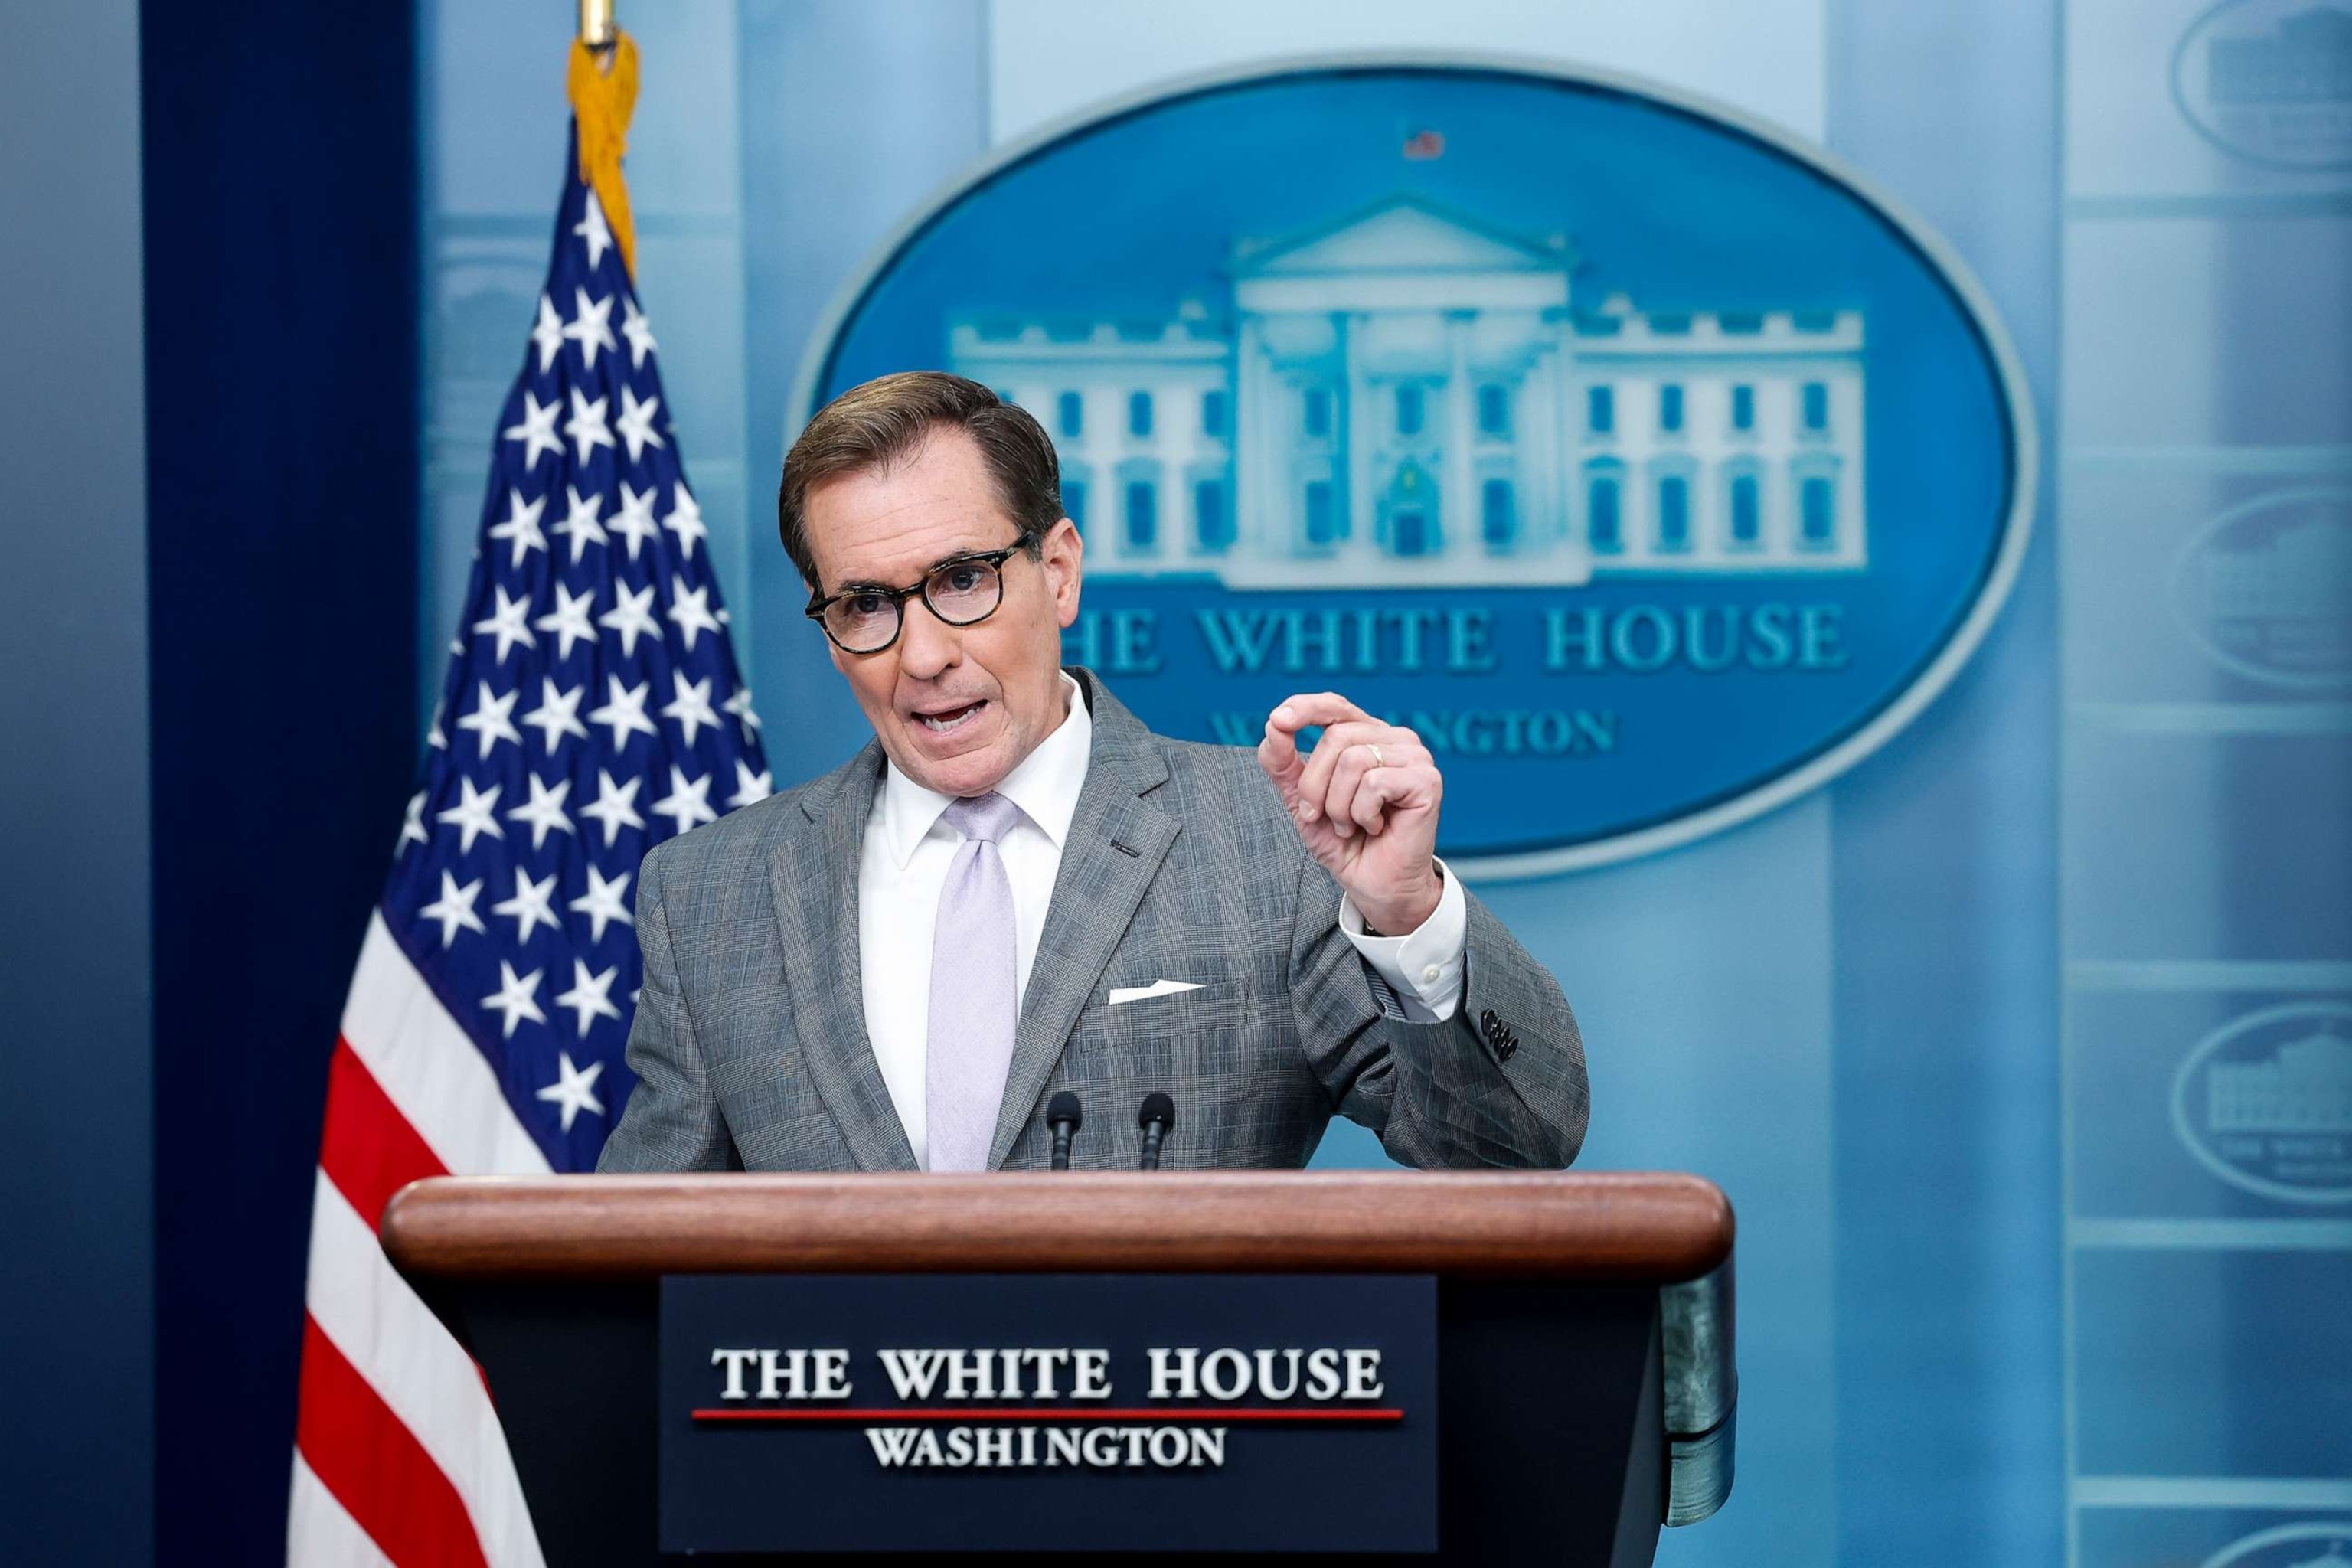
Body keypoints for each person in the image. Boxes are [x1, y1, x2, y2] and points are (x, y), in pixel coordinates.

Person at [597, 372, 1586, 1173]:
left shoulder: (1267, 843)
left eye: (960, 581)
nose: (924, 654)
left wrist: (1409, 915)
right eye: (865, 604)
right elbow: (632, 1278)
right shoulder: (710, 897)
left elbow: (1513, 1149)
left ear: (1059, 572)